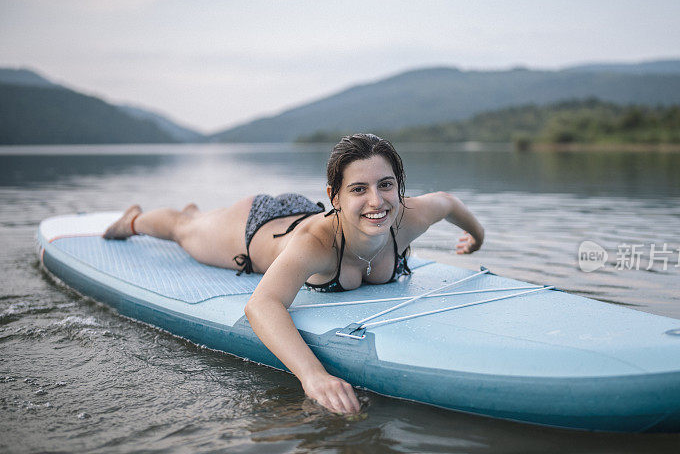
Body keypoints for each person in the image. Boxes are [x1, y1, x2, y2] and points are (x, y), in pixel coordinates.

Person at [103, 134, 484, 415]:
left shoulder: (410, 215)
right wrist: (313, 376)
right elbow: (262, 305)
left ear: (399, 187)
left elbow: (449, 202)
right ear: (335, 196)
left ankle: (196, 213)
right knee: (185, 229)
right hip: (256, 230)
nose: (376, 201)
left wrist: (476, 237)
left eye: (386, 185)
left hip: (302, 211)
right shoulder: (315, 244)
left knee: (194, 222)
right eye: (358, 189)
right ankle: (134, 220)